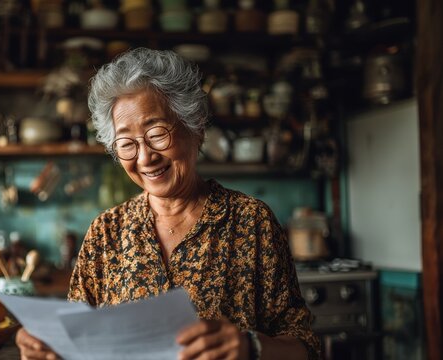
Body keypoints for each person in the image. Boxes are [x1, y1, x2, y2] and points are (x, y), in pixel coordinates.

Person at [16, 48, 320, 360]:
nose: (145, 157)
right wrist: (47, 351)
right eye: (126, 144)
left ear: (195, 129)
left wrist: (250, 347)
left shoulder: (251, 222)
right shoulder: (105, 233)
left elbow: (305, 347)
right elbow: (77, 344)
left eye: (157, 134)